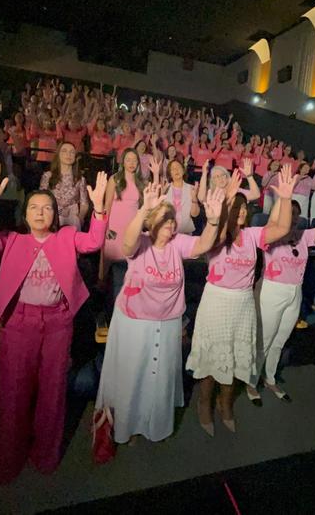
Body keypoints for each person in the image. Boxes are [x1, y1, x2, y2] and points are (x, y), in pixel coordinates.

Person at [0, 162, 109, 484]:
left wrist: (98, 209)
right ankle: (8, 460)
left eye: (48, 208)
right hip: (18, 323)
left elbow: (94, 242)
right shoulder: (13, 240)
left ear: (55, 214)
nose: (41, 213)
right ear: (25, 214)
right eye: (34, 208)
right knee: (13, 394)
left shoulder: (66, 237)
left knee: (53, 394)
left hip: (57, 324)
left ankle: (45, 456)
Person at [94, 183, 225, 444]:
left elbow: (203, 245)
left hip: (167, 322)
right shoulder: (141, 243)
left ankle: (155, 425)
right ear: (152, 221)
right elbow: (127, 244)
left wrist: (212, 221)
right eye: (165, 219)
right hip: (135, 322)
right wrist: (144, 208)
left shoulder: (177, 244)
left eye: (172, 220)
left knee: (158, 378)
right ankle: (128, 427)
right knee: (135, 376)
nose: (170, 225)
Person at [185, 164, 299, 436]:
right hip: (216, 302)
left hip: (243, 303)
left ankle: (226, 405)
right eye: (238, 207)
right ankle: (204, 403)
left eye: (245, 208)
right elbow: (217, 232)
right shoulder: (217, 235)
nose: (244, 211)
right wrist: (226, 199)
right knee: (213, 358)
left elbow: (282, 227)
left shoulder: (252, 235)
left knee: (236, 358)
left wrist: (284, 197)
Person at [246, 201, 315, 405]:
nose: (293, 217)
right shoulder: (271, 235)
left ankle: (270, 378)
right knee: (264, 340)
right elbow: (273, 222)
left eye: (296, 214)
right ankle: (251, 381)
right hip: (273, 290)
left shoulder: (303, 236)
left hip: (295, 292)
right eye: (289, 213)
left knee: (280, 340)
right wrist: (283, 199)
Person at [98, 149, 146, 287]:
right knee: (108, 259)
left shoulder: (140, 182)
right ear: (123, 162)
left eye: (134, 160)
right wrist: (105, 226)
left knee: (129, 260)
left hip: (131, 226)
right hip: (114, 225)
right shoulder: (115, 179)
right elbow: (106, 205)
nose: (131, 163)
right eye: (128, 160)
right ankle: (102, 290)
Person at [39, 142, 89, 228]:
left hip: (72, 220)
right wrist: (59, 211)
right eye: (64, 151)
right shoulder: (48, 176)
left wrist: (80, 218)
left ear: (75, 157)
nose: (68, 154)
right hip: (51, 217)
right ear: (58, 155)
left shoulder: (80, 179)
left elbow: (84, 203)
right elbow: (41, 199)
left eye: (72, 152)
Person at [162, 158, 199, 235]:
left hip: (185, 232)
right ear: (170, 174)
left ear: (183, 170)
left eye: (178, 167)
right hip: (167, 231)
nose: (176, 170)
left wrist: (194, 199)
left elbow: (195, 214)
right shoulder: (165, 188)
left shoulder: (191, 188)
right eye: (173, 169)